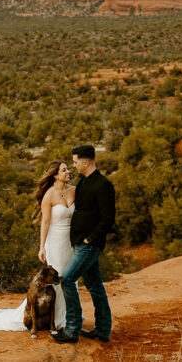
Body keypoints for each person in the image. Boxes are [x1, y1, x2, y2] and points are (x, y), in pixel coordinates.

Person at [0, 160, 75, 333]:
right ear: (55, 175)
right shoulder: (49, 195)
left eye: (68, 168)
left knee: (71, 279)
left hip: (71, 242)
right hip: (55, 242)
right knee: (58, 277)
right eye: (64, 170)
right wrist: (42, 247)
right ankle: (54, 319)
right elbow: (45, 222)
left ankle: (69, 317)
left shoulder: (74, 191)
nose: (68, 171)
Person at [51, 144, 115, 344]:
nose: (74, 165)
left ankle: (72, 330)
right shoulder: (84, 181)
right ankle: (103, 330)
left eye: (75, 161)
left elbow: (108, 218)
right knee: (95, 285)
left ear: (85, 162)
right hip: (80, 243)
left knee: (68, 280)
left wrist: (91, 238)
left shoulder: (103, 185)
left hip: (89, 244)